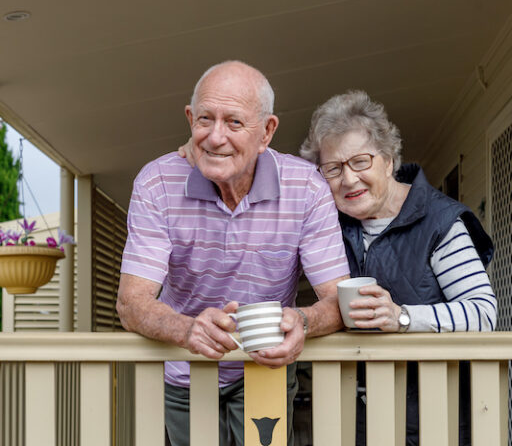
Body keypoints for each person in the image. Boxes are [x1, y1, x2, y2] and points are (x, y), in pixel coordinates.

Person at [117, 60, 350, 446]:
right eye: (205, 119)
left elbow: (337, 299)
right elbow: (131, 303)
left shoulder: (305, 187)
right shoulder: (156, 182)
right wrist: (187, 329)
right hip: (185, 369)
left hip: (265, 367)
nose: (215, 137)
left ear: (267, 132)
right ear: (190, 119)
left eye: (235, 123)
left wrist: (303, 323)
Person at [299, 90, 496, 445]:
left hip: (440, 417)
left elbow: (483, 313)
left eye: (361, 161)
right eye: (333, 168)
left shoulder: (439, 221)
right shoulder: (330, 228)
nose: (348, 179)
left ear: (388, 160)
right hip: (362, 417)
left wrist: (403, 318)